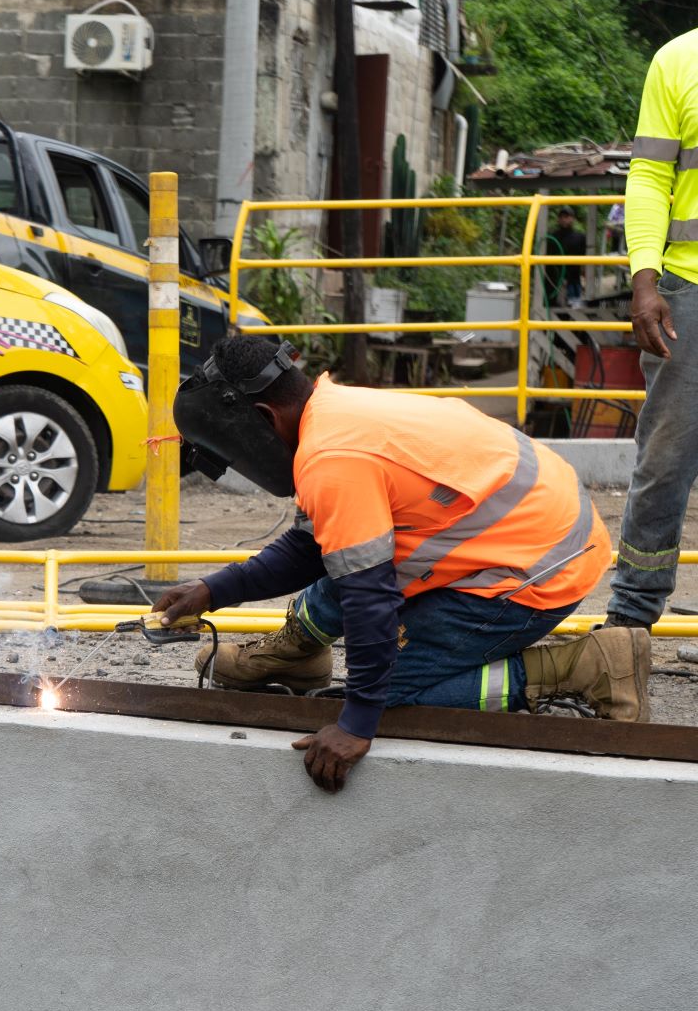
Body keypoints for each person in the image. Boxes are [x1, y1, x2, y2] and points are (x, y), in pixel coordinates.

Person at [158, 335, 649, 793]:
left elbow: (369, 597)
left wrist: (358, 722)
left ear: (264, 419)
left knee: (391, 697)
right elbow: (313, 548)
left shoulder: (334, 459)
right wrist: (213, 590)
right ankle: (300, 654)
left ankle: (582, 666)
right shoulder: (330, 412)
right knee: (344, 556)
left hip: (537, 569)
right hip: (520, 531)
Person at [605, 27, 698, 631]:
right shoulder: (679, 59)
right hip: (689, 293)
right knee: (664, 462)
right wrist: (644, 278)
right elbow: (649, 177)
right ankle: (630, 625)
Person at [549, 206, 586, 305]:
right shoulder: (552, 237)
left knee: (575, 307)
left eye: (566, 216)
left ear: (572, 218)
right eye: (561, 217)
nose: (564, 219)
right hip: (556, 280)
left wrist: (584, 275)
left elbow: (585, 259)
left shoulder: (580, 237)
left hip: (574, 280)